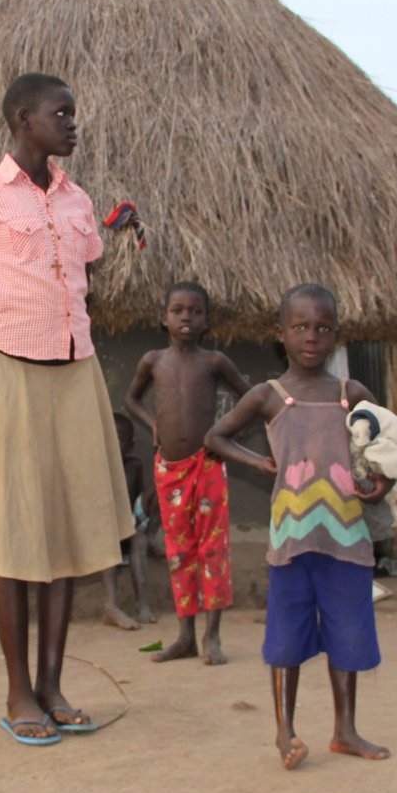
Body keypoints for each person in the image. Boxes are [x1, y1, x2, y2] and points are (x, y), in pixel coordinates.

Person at [0, 72, 134, 746]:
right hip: (8, 373)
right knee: (17, 541)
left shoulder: (78, 203)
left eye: (74, 112)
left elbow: (80, 274)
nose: (73, 123)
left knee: (71, 535)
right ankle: (19, 691)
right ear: (24, 119)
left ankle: (52, 685)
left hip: (75, 371)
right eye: (61, 113)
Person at [204, 284, 394, 770]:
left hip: (347, 540)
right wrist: (259, 461)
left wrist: (379, 482)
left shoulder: (352, 396)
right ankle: (284, 731)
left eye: (323, 328)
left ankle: (345, 730)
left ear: (337, 335)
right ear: (281, 333)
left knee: (348, 631)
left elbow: (386, 454)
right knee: (285, 637)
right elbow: (215, 437)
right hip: (291, 540)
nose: (312, 337)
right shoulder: (270, 396)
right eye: (301, 327)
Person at [125, 281, 249, 663]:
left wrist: (223, 435)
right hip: (169, 469)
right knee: (180, 551)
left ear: (206, 320)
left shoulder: (214, 362)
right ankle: (185, 637)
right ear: (164, 318)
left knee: (212, 550)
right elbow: (131, 399)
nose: (186, 317)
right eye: (178, 310)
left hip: (208, 465)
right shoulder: (153, 361)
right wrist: (152, 424)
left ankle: (212, 637)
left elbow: (251, 397)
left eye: (195, 311)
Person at [99, 414, 154, 629]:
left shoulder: (134, 466)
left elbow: (141, 501)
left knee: (139, 539)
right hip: (104, 531)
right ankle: (111, 605)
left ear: (129, 445)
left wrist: (139, 524)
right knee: (107, 536)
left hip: (130, 527)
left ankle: (142, 603)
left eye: (119, 440)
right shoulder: (97, 467)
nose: (113, 444)